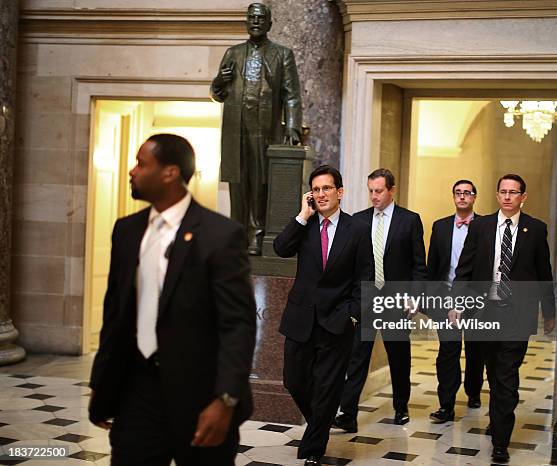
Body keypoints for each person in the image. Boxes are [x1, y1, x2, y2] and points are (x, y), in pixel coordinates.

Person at [88, 134, 257, 466]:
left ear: (170, 173)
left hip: (201, 396)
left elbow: (237, 324)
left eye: (141, 163)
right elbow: (115, 314)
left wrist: (225, 400)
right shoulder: (127, 230)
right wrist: (101, 383)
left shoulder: (219, 235)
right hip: (137, 391)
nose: (132, 171)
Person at [450, 174, 555, 463]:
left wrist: (549, 312)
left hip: (517, 315)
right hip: (484, 313)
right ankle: (498, 419)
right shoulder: (481, 227)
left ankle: (500, 442)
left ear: (523, 196)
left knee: (507, 376)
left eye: (514, 192)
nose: (508, 197)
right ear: (497, 196)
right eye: (503, 192)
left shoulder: (535, 229)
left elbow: (543, 275)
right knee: (493, 371)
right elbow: (464, 269)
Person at [273, 165, 374, 466]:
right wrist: (302, 216)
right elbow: (280, 249)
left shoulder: (356, 229)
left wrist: (352, 315)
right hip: (300, 319)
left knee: (329, 388)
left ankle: (314, 448)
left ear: (340, 192)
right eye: (315, 190)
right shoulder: (303, 225)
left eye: (326, 188)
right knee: (294, 380)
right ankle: (320, 420)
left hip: (336, 322)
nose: (321, 195)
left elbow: (366, 278)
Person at [333, 168, 426, 432]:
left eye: (379, 191)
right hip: (365, 300)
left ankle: (401, 406)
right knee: (357, 357)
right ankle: (348, 413)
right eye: (370, 191)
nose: (374, 196)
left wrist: (414, 297)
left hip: (396, 301)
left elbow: (419, 265)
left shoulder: (409, 220)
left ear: (391, 190)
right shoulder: (358, 220)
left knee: (398, 355)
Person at [211, 2, 302, 255]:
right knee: (238, 183)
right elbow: (218, 93)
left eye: (261, 18)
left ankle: (257, 235)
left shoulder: (282, 54)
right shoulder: (233, 52)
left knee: (260, 182)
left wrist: (292, 126)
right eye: (252, 17)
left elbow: (291, 95)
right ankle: (237, 234)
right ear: (246, 21)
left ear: (270, 24)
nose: (256, 22)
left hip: (264, 129)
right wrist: (220, 81)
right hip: (235, 128)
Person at [427, 180, 485, 424]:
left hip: (474, 299)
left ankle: (473, 391)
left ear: (474, 198)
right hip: (445, 296)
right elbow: (433, 266)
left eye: (467, 193)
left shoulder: (485, 226)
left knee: (475, 350)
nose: (462, 197)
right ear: (453, 197)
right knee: (448, 351)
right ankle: (446, 405)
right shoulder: (440, 227)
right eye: (458, 193)